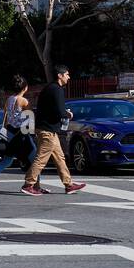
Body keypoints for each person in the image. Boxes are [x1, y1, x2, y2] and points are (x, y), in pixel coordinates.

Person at [22, 64, 87, 196]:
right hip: (48, 130)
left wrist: (63, 112)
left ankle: (68, 185)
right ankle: (28, 184)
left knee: (59, 157)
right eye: (67, 74)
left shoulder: (50, 88)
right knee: (41, 158)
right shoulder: (56, 89)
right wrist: (67, 114)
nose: (69, 77)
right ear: (60, 75)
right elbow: (59, 110)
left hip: (47, 129)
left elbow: (51, 108)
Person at [0, 75, 38, 193]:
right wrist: (33, 133)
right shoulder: (24, 101)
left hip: (10, 133)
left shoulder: (9, 99)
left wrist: (5, 130)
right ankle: (33, 186)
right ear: (25, 88)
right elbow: (30, 119)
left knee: (7, 160)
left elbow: (5, 116)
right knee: (35, 159)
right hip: (22, 134)